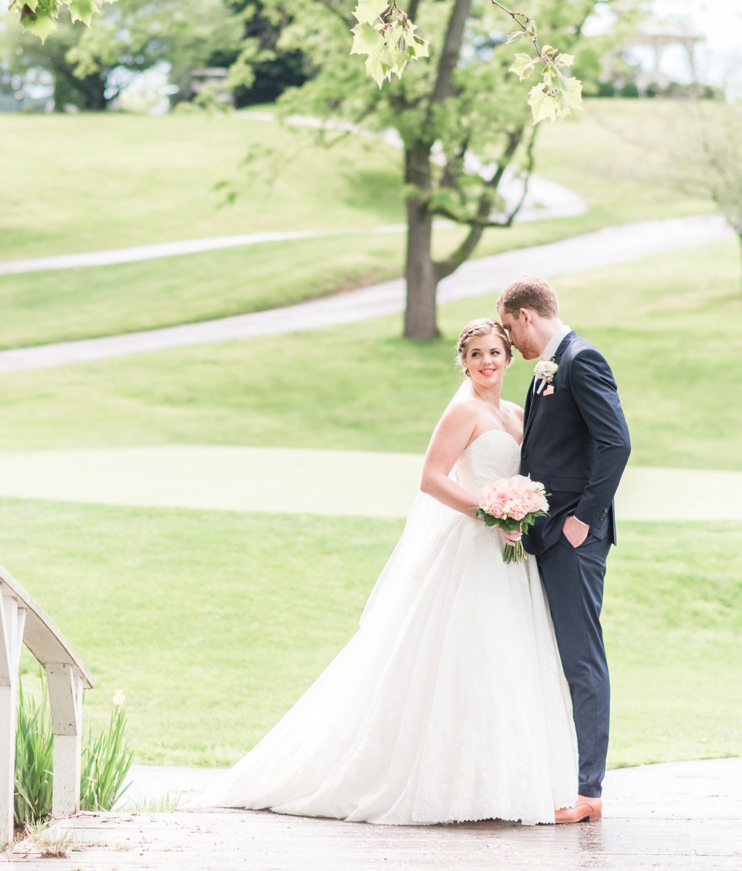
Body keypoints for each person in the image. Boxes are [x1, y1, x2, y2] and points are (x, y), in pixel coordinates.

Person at [193, 318, 578, 825]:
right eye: (477, 354)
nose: (487, 362)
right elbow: (431, 479)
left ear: (509, 357)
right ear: (463, 362)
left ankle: (500, 783)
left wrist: (520, 511)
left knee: (506, 657)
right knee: (467, 654)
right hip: (471, 547)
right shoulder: (462, 411)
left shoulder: (513, 411)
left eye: (495, 352)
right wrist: (490, 510)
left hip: (510, 554)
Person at [497, 275, 632, 824]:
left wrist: (583, 520)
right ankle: (566, 776)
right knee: (561, 656)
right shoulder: (549, 369)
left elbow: (616, 442)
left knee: (581, 658)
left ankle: (589, 790)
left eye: (509, 328)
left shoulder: (581, 359)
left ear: (527, 316)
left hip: (574, 538)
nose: (511, 343)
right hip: (546, 534)